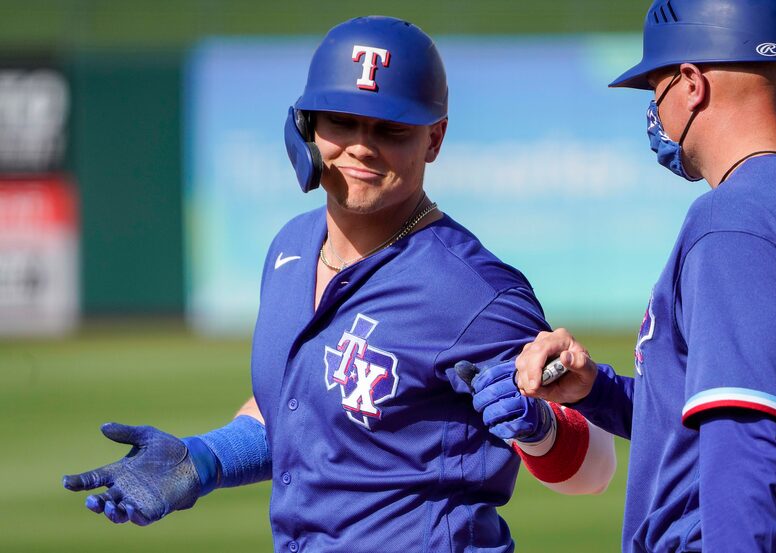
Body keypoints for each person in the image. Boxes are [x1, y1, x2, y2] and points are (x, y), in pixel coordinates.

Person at [63, 16, 616, 551]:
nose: (361, 146)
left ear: (435, 138)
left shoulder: (475, 292)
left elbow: (595, 465)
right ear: (306, 125)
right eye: (342, 121)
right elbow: (304, 409)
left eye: (391, 128)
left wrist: (538, 428)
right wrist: (204, 459)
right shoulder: (291, 248)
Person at [509, 0, 776, 551]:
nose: (653, 107)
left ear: (691, 83)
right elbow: (747, 408)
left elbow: (746, 446)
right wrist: (599, 392)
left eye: (654, 85)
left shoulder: (736, 223)